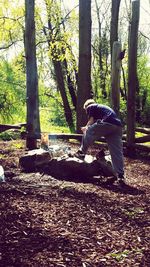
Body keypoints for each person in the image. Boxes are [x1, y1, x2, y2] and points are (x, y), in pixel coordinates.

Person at [75, 99, 125, 185]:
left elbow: (91, 121)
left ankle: (81, 152)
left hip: (108, 123)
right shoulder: (103, 109)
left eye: (86, 111)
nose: (87, 112)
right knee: (116, 151)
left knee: (88, 130)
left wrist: (85, 128)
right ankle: (120, 175)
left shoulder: (91, 106)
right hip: (118, 127)